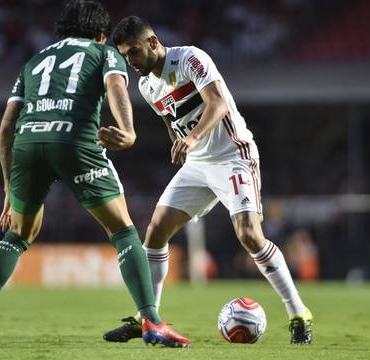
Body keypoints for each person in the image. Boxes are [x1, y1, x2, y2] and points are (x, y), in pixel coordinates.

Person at [0, 1, 189, 348]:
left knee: (20, 234)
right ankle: (152, 322)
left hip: (27, 144)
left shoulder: (34, 61)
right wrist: (127, 130)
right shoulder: (103, 52)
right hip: (74, 140)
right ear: (100, 33)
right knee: (123, 230)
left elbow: (6, 127)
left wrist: (9, 185)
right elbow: (115, 87)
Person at [101, 15, 313, 345]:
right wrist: (183, 143)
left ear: (153, 42)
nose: (131, 62)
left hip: (233, 156)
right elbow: (171, 121)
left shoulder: (190, 59)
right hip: (198, 164)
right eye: (126, 56)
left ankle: (299, 313)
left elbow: (218, 103)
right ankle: (149, 319)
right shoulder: (146, 85)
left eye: (134, 52)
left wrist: (194, 138)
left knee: (249, 235)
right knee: (156, 231)